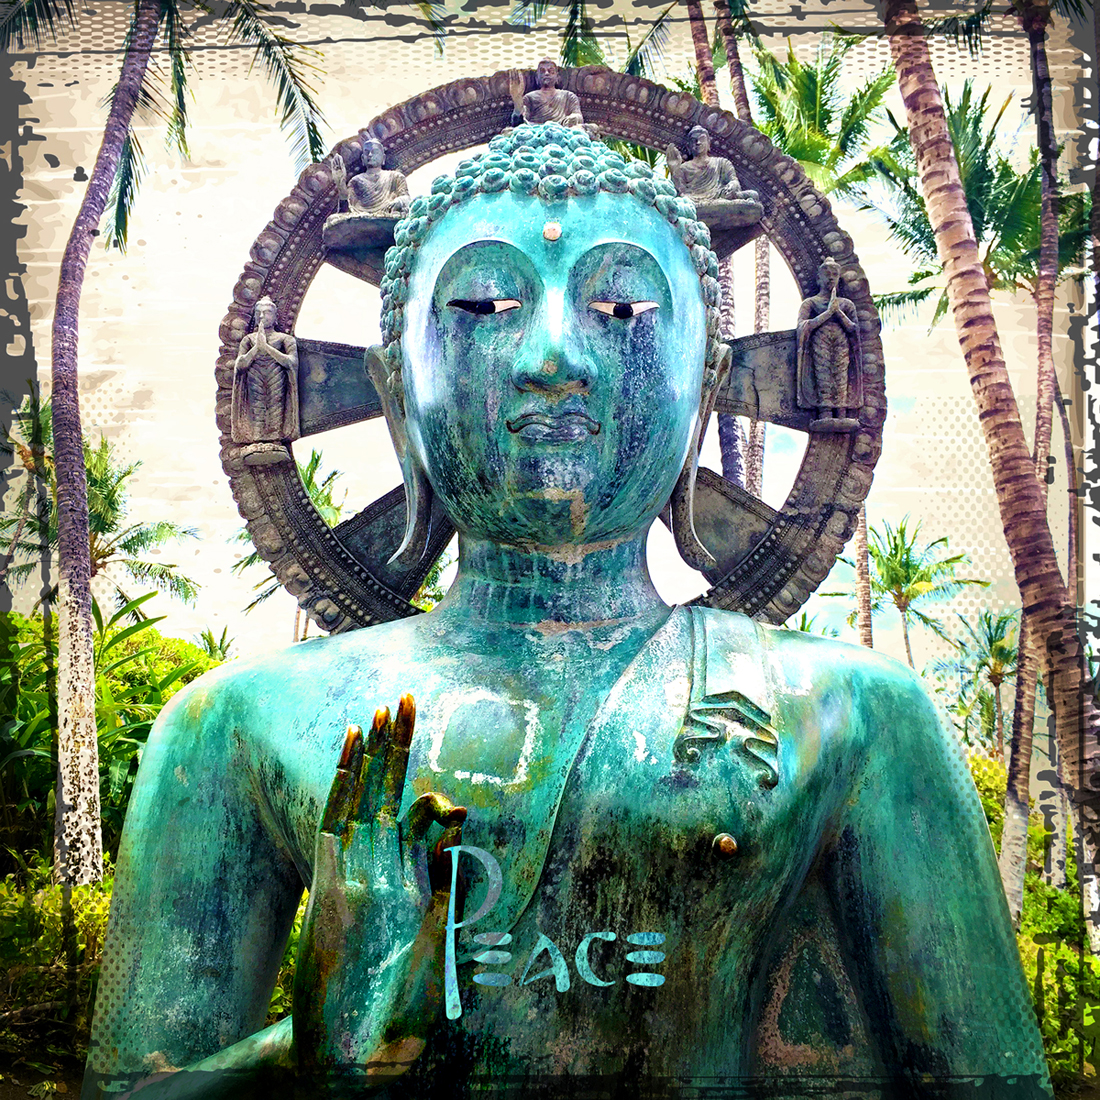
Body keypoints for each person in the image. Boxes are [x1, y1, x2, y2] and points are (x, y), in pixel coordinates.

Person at [82, 124, 1051, 1100]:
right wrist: (332, 1031)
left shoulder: (853, 714)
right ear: (396, 388)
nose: (554, 354)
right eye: (483, 305)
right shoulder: (239, 725)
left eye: (623, 307)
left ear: (705, 385)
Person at [230, 295, 299, 463]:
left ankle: (275, 441)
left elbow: (291, 362)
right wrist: (256, 349)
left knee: (276, 405)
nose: (262, 316)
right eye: (258, 313)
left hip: (276, 377)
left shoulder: (285, 339)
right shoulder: (248, 340)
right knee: (257, 407)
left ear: (275, 316)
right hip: (255, 377)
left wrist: (266, 348)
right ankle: (257, 441)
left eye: (267, 312)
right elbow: (240, 364)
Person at [667, 125, 759, 203]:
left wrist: (733, 185)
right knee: (682, 200)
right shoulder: (684, 168)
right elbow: (680, 192)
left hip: (720, 194)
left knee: (753, 195)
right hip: (693, 198)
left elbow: (734, 181)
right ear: (689, 146)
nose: (698, 143)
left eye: (702, 139)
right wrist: (674, 169)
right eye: (693, 140)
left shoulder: (722, 162)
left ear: (708, 143)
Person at [345, 136, 411, 218]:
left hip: (388, 213)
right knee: (333, 218)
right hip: (362, 216)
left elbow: (407, 198)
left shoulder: (395, 177)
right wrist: (340, 183)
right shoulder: (355, 181)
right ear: (362, 158)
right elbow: (348, 206)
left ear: (383, 158)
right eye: (367, 152)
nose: (370, 155)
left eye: (374, 152)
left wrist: (400, 201)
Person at [508, 59, 583, 127]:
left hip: (561, 131)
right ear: (537, 77)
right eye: (542, 71)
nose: (546, 73)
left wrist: (574, 118)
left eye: (551, 71)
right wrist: (517, 99)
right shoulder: (530, 97)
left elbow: (578, 116)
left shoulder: (568, 96)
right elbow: (519, 122)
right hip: (536, 131)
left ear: (557, 77)